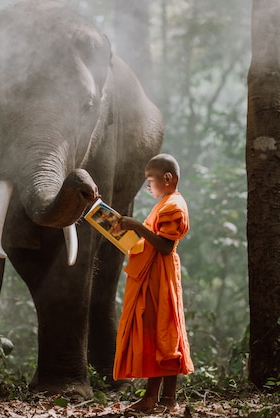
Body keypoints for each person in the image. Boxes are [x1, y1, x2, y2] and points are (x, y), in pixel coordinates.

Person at [114, 153, 193, 414]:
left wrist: (136, 225)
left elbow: (165, 246)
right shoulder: (164, 203)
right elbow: (152, 243)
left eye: (151, 179)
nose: (148, 185)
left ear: (168, 179)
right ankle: (165, 398)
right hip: (154, 273)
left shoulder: (174, 206)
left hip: (162, 275)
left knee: (161, 332)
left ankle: (153, 398)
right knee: (163, 332)